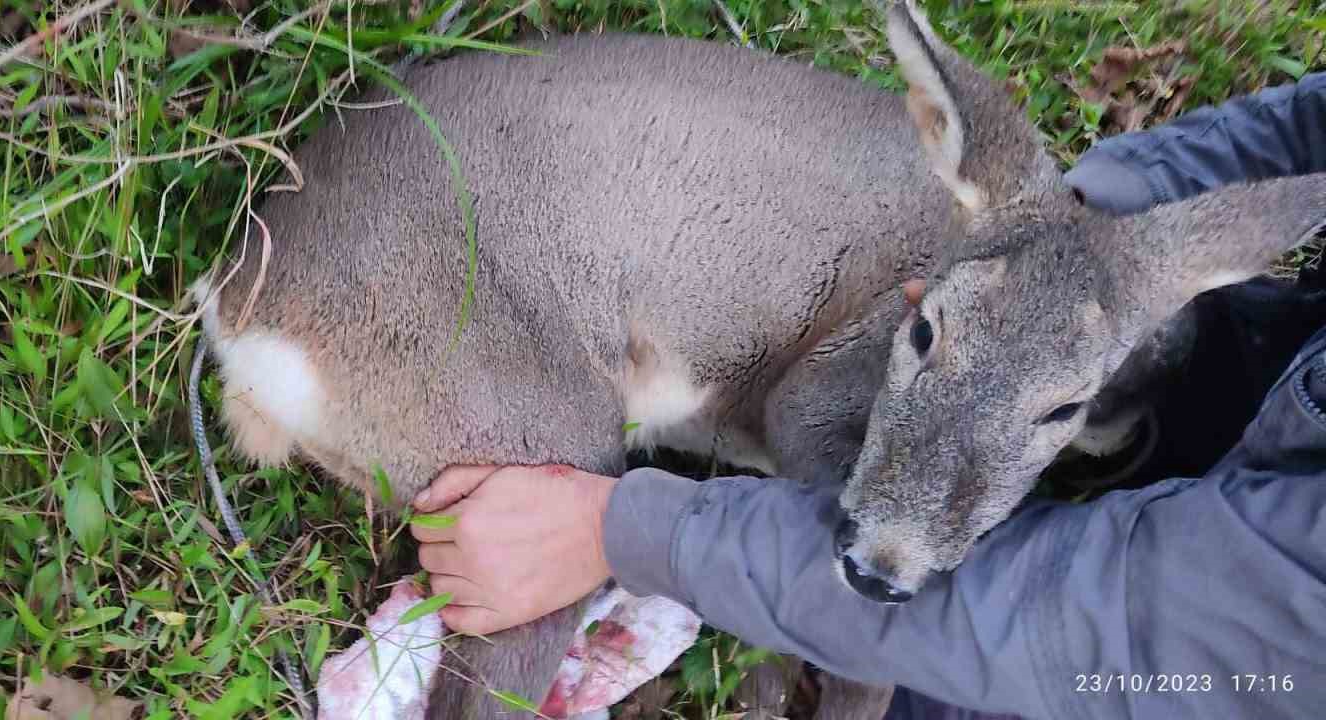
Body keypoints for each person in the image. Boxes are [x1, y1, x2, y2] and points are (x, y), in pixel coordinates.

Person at [410, 71, 1326, 719]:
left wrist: (625, 529)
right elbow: (1300, 126)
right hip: (452, 262)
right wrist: (1070, 230)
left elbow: (1107, 632)